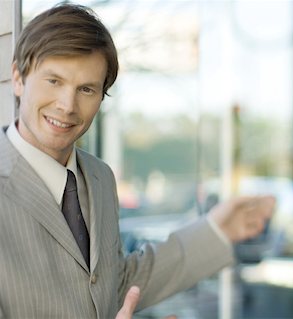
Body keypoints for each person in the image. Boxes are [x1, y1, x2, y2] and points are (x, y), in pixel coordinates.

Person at [0, 3, 275, 319]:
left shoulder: (99, 177)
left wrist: (216, 229)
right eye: (54, 81)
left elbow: (112, 286)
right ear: (18, 77)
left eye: (86, 89)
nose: (67, 105)